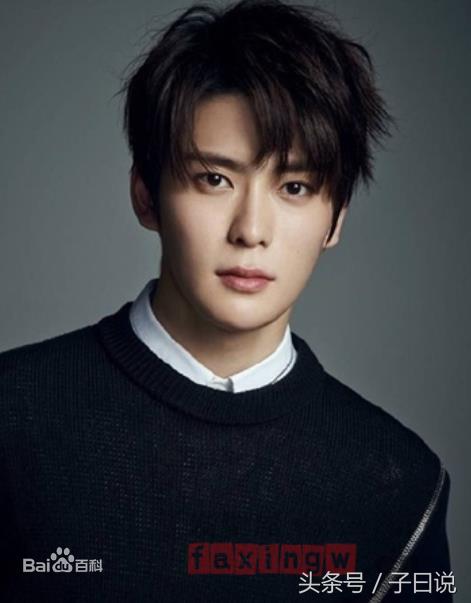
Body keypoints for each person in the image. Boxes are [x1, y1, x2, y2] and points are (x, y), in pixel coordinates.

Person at [0, 0, 453, 601]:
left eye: (295, 187)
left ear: (336, 219)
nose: (251, 229)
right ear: (146, 195)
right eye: (214, 179)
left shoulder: (401, 484)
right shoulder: (14, 417)